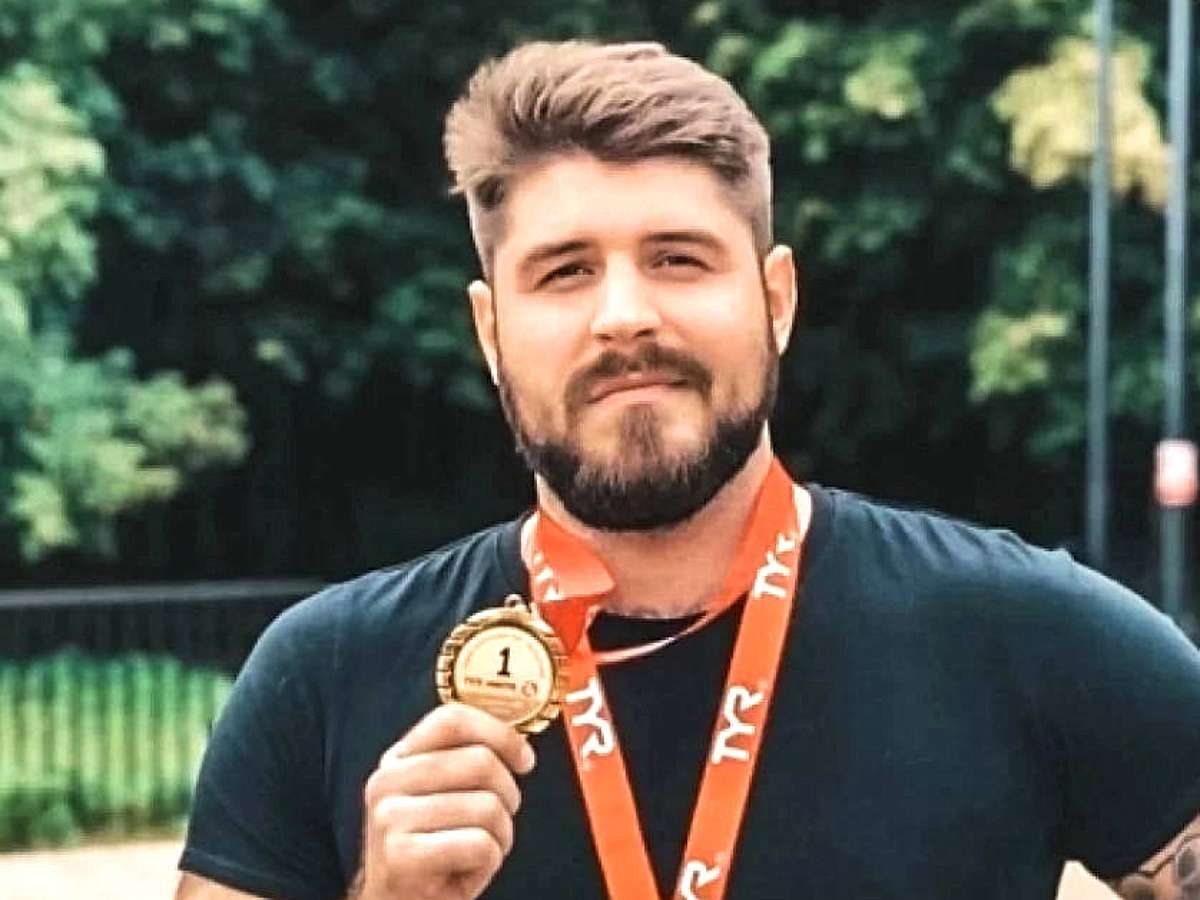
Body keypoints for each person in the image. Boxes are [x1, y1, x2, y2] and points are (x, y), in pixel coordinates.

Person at [175, 40, 1200, 900]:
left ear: (777, 300)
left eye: (678, 258)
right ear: (490, 332)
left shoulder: (1026, 634)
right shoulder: (325, 674)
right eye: (565, 271)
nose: (625, 316)